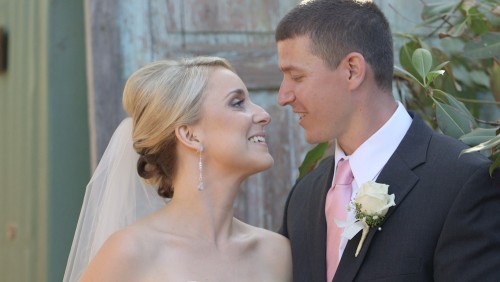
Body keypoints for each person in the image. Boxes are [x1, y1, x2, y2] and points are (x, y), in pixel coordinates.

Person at [275, 0, 500, 281]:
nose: (283, 96)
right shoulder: (303, 197)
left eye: (296, 76)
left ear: (352, 70)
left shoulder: (464, 182)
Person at [63, 56, 292, 282]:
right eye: (237, 103)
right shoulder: (131, 252)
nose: (264, 115)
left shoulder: (276, 252)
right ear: (189, 135)